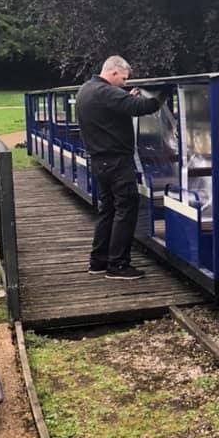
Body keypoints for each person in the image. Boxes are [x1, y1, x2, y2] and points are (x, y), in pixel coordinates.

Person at [76, 56, 161, 279]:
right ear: (113, 73)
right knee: (127, 207)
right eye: (123, 79)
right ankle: (118, 265)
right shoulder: (105, 92)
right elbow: (142, 107)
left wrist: (123, 97)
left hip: (99, 160)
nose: (125, 83)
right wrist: (163, 95)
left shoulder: (87, 89)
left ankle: (98, 262)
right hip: (116, 161)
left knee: (108, 210)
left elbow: (116, 107)